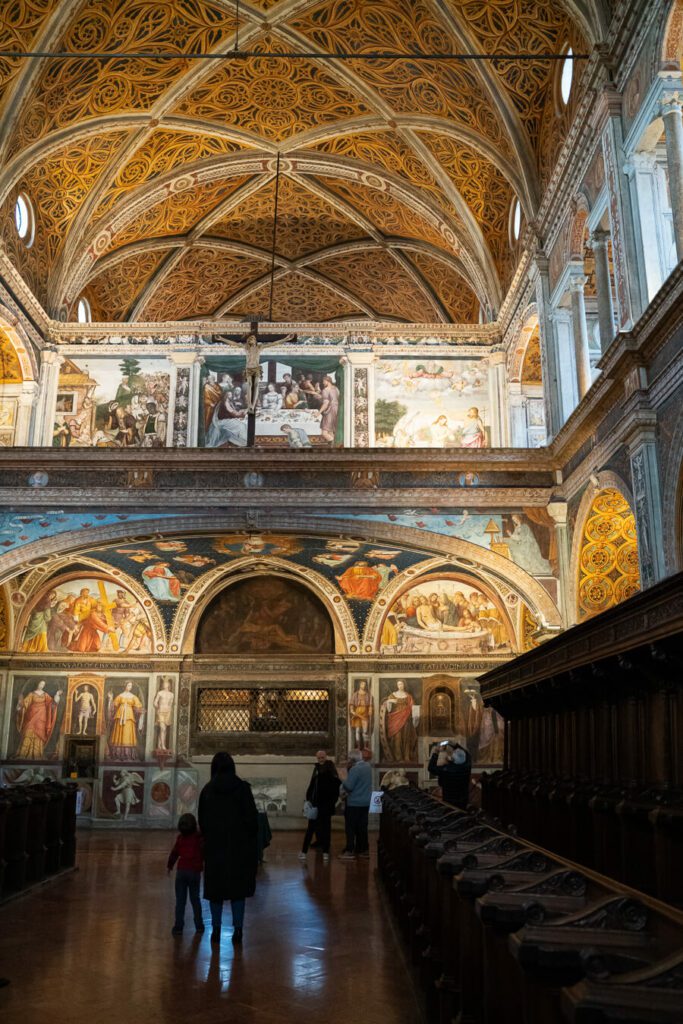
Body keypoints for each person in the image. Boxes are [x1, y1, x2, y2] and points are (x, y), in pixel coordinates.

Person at [198, 752, 258, 946]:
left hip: (215, 848)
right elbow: (252, 820)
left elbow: (203, 821)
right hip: (239, 849)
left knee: (215, 891)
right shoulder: (242, 789)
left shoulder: (207, 790)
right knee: (237, 891)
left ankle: (215, 929)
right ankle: (238, 930)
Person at [167, 813, 205, 936]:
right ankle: (199, 925)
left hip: (181, 872)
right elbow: (204, 852)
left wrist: (169, 866)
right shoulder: (199, 838)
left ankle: (178, 927)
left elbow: (174, 853)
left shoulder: (180, 838)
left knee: (180, 901)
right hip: (194, 872)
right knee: (195, 900)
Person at [299, 758, 340, 864]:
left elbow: (310, 791)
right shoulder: (335, 780)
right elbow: (337, 795)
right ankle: (326, 853)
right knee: (326, 831)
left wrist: (310, 802)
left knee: (310, 830)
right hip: (327, 809)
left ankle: (303, 852)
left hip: (316, 807)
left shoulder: (317, 778)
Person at [339, 750, 372, 860]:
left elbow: (349, 786)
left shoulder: (355, 769)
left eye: (349, 759)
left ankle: (349, 851)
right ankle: (363, 850)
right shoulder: (367, 767)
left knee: (350, 828)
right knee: (362, 827)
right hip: (365, 802)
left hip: (354, 803)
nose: (348, 761)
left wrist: (343, 777)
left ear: (353, 760)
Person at [428, 742, 472, 809]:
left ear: (452, 758)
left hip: (448, 802)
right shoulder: (467, 767)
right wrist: (455, 745)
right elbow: (467, 754)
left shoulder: (445, 769)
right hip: (463, 802)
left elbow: (431, 768)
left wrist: (436, 752)